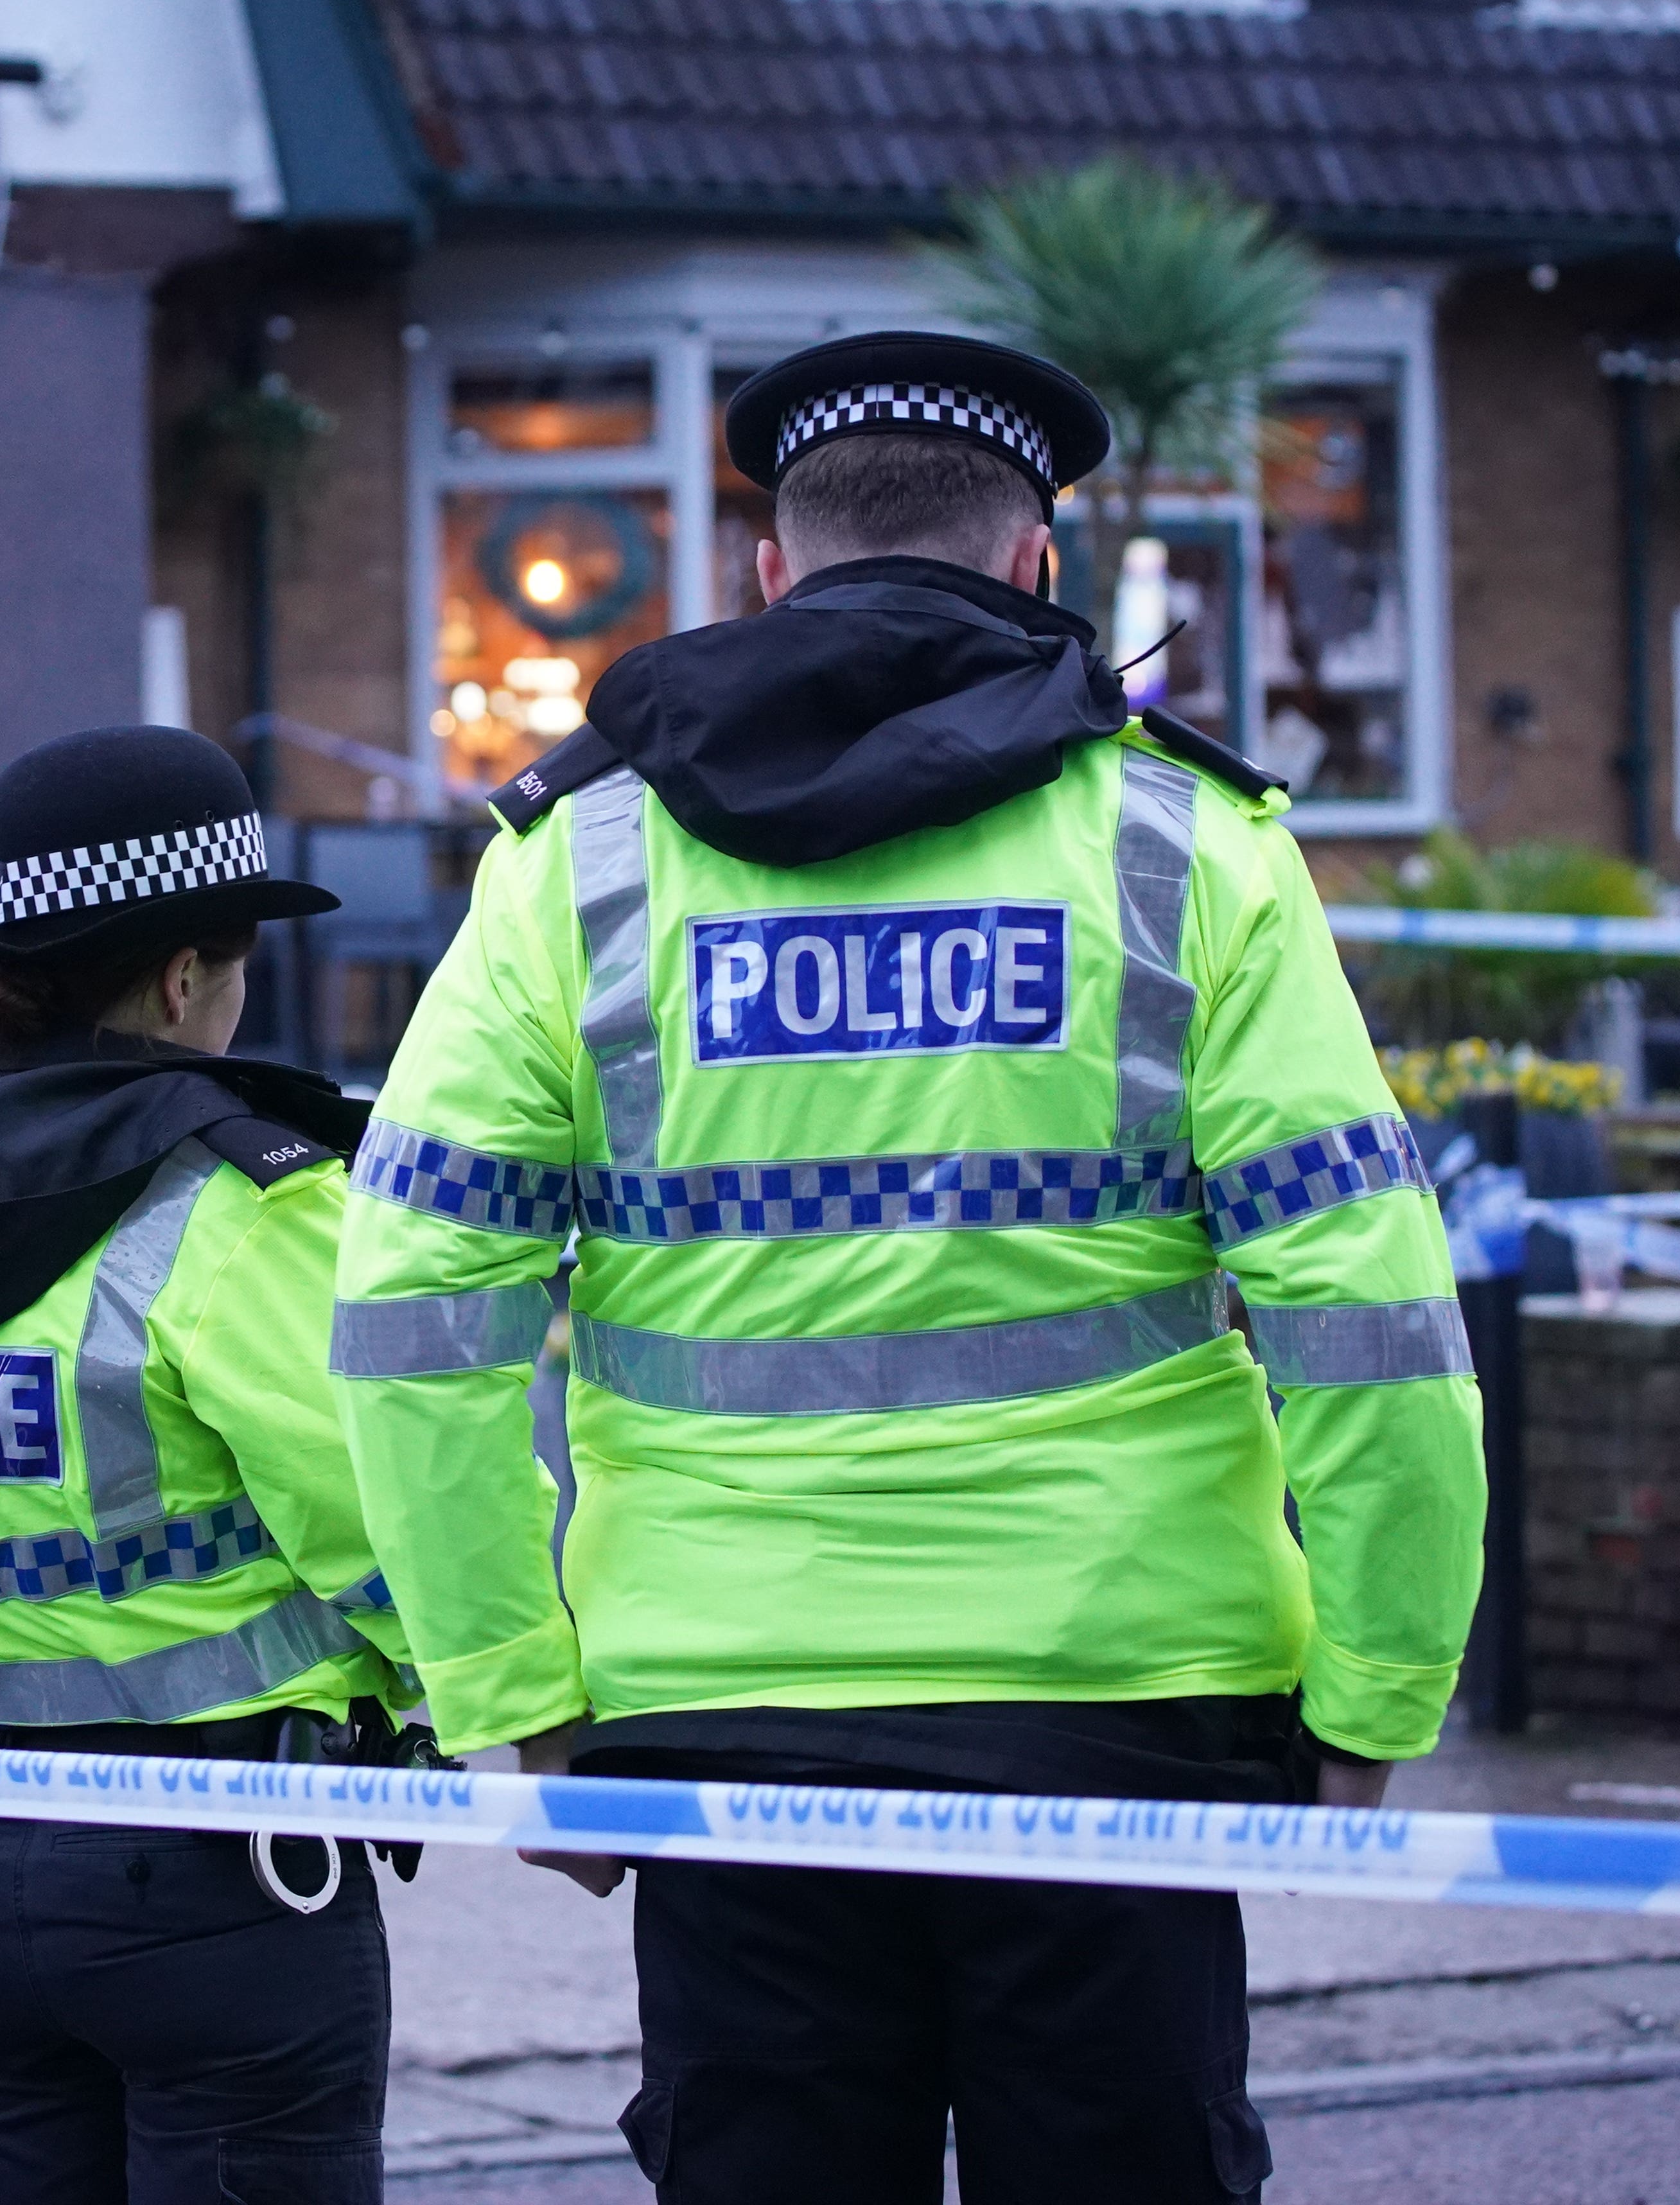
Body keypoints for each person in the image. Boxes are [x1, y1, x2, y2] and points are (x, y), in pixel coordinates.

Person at [330, 333, 1489, 2203]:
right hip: (1124, 1709)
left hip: (725, 1715)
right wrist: (1377, 1692)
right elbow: (1369, 1310)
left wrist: (508, 1701)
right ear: (1039, 562)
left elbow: (408, 1329)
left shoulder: (580, 867)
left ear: (771, 571)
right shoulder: (1190, 848)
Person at [0, 724, 421, 2205]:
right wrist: (457, 1693)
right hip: (223, 1884)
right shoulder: (235, 1205)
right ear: (186, 974)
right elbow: (389, 1510)